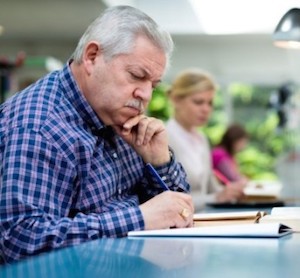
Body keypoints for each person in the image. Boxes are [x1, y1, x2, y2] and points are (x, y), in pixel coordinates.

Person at [0, 6, 194, 264]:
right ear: (92, 57)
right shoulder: (40, 126)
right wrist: (139, 218)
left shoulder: (118, 116)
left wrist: (160, 161)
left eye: (153, 85)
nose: (145, 95)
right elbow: (19, 240)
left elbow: (177, 211)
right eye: (137, 76)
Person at [166, 68, 246, 212]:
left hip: (203, 221)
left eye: (210, 103)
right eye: (198, 102)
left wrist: (231, 191)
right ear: (176, 100)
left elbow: (212, 189)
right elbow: (167, 199)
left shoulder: (201, 139)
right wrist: (215, 198)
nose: (206, 109)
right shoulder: (163, 138)